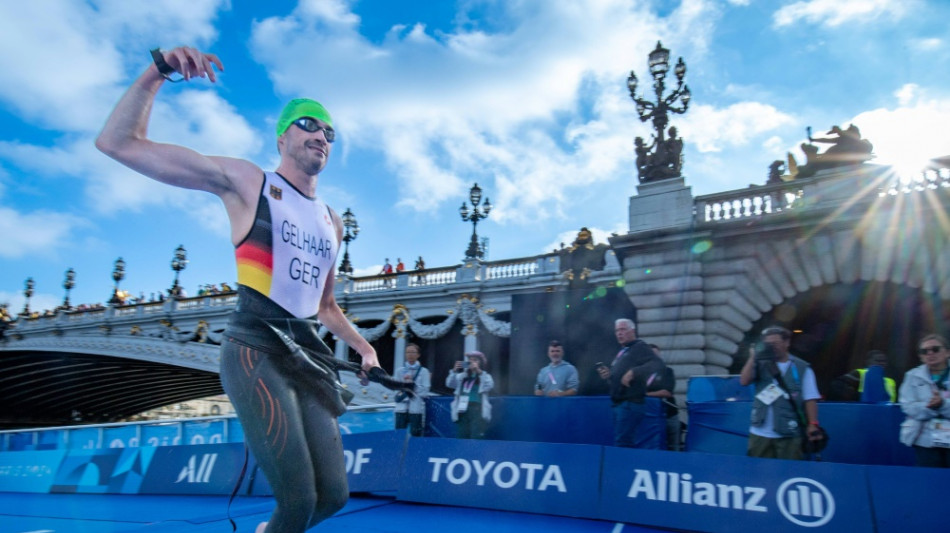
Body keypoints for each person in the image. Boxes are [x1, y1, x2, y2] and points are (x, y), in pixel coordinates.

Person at [96, 46, 394, 533]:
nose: (321, 135)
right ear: (282, 137)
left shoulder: (331, 221)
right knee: (296, 502)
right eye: (309, 124)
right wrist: (159, 71)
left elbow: (324, 306)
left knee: (334, 496)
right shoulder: (247, 182)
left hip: (306, 353)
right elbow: (118, 142)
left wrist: (363, 348)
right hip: (254, 347)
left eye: (329, 132)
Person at [739, 326, 822, 460]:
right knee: (758, 473)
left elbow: (810, 399)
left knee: (789, 471)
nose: (772, 347)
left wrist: (813, 424)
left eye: (775, 343)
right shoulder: (760, 364)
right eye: (768, 344)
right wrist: (753, 357)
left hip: (789, 432)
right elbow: (744, 381)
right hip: (760, 431)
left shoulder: (802, 368)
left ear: (787, 342)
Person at [596, 319, 665, 448]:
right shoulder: (623, 351)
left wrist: (634, 371)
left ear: (632, 331)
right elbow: (619, 377)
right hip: (619, 404)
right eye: (617, 330)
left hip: (630, 403)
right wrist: (609, 376)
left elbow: (658, 364)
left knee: (623, 442)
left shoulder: (640, 346)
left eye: (622, 329)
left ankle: (622, 467)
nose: (619, 333)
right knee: (623, 441)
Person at [899, 334, 950, 468]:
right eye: (924, 351)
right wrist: (931, 407)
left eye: (935, 349)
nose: (930, 353)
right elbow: (908, 406)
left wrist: (943, 405)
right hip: (924, 440)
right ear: (921, 356)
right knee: (930, 482)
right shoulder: (912, 376)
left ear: (947, 352)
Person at [446, 351, 494, 439]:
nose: (472, 362)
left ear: (480, 363)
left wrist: (478, 371)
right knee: (462, 435)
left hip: (477, 409)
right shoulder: (462, 376)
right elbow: (449, 384)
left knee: (476, 436)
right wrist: (453, 371)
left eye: (475, 360)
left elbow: (489, 385)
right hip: (462, 409)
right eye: (470, 360)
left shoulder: (485, 376)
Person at [645, 344, 682, 451]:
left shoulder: (667, 371)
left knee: (674, 445)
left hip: (669, 415)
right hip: (650, 416)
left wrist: (646, 394)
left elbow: (667, 392)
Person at [393, 343, 430, 437]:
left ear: (418, 355)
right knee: (399, 436)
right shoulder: (400, 371)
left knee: (415, 436)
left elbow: (426, 390)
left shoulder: (424, 371)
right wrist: (404, 387)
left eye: (413, 352)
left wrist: (413, 386)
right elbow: (394, 388)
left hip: (416, 409)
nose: (410, 354)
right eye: (408, 352)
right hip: (401, 408)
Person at [832, 350, 896, 402]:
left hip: (884, 414)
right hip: (861, 411)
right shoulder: (859, 373)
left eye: (884, 361)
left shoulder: (891, 381)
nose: (881, 363)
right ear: (868, 362)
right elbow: (838, 386)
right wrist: (860, 397)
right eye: (878, 361)